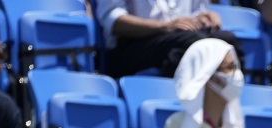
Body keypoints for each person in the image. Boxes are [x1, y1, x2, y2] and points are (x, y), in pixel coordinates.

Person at [97, 0, 242, 79]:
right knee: (194, 44)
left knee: (226, 41)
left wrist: (203, 18)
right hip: (133, 45)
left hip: (182, 38)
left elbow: (197, 11)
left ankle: (225, 111)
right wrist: (164, 26)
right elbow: (114, 21)